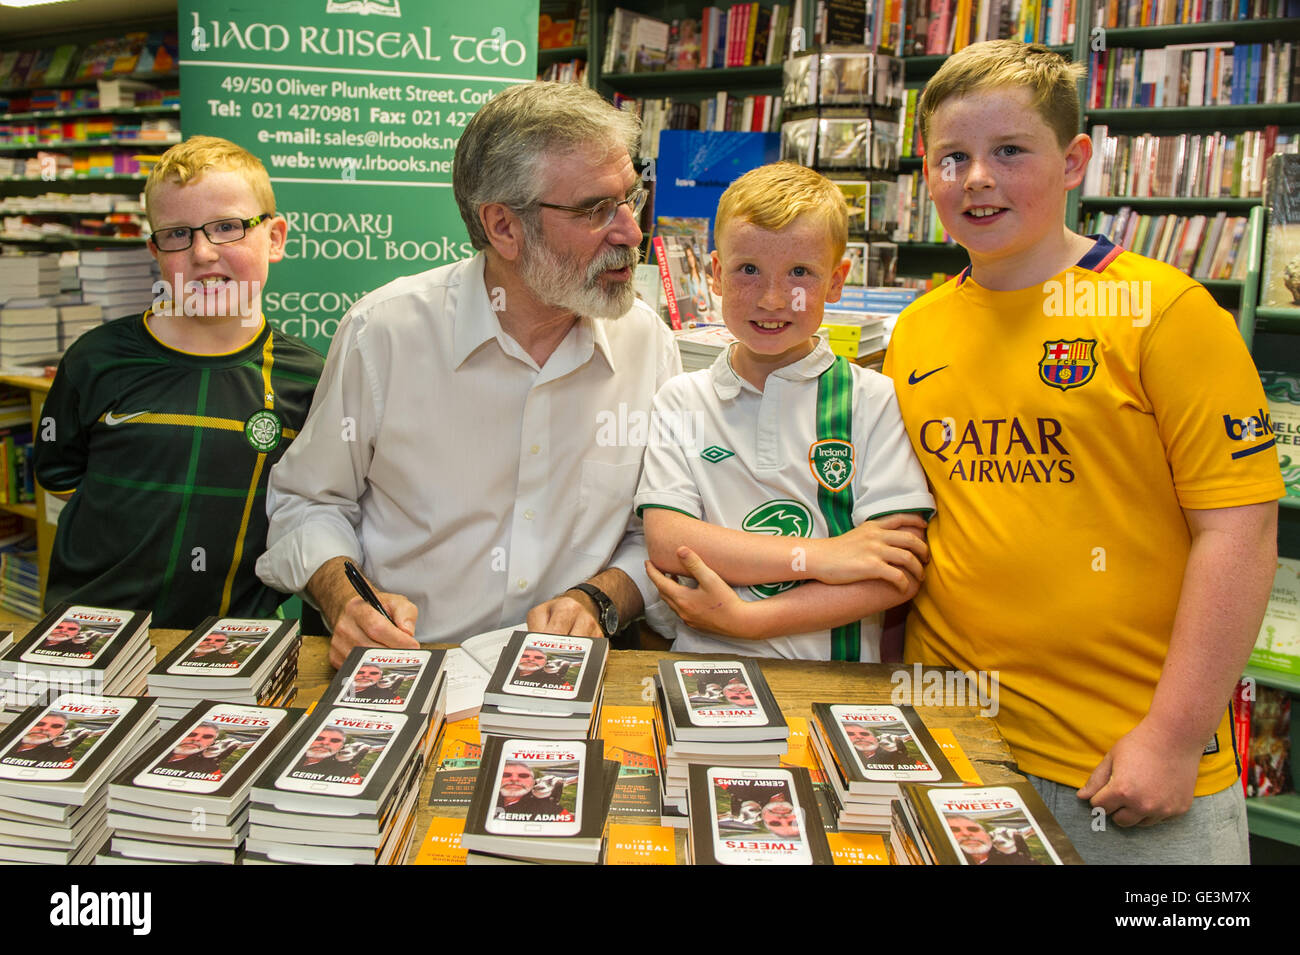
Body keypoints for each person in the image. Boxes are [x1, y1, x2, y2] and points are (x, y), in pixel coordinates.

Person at [882, 40, 1281, 864]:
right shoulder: (916, 328)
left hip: (1126, 769)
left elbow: (1240, 532)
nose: (977, 178)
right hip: (955, 741)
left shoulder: (1166, 311)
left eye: (1009, 152)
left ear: (1073, 162)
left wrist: (1173, 737)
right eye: (952, 156)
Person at [257, 83, 680, 667]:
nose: (632, 233)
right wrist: (344, 599)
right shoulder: (386, 333)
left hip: (569, 682)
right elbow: (308, 502)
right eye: (593, 210)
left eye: (631, 200)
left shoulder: (648, 344)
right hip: (408, 669)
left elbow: (658, 530)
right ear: (503, 227)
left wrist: (601, 600)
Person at [638, 162, 934, 661]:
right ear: (714, 274)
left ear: (836, 282)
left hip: (833, 685)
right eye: (748, 270)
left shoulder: (873, 398)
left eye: (800, 272)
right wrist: (827, 556)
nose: (773, 299)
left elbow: (896, 571)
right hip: (701, 668)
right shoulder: (681, 398)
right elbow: (670, 542)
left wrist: (750, 620)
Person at [33, 136, 324, 630]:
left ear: (274, 238)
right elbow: (59, 478)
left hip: (232, 640)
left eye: (228, 227)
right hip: (88, 632)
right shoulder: (96, 359)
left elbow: (312, 511)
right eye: (177, 234)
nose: (203, 252)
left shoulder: (308, 379)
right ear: (155, 251)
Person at [494, 761, 567, 818]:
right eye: (506, 775)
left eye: (523, 776)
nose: (514, 779)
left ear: (533, 782)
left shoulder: (552, 810)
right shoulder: (489, 799)